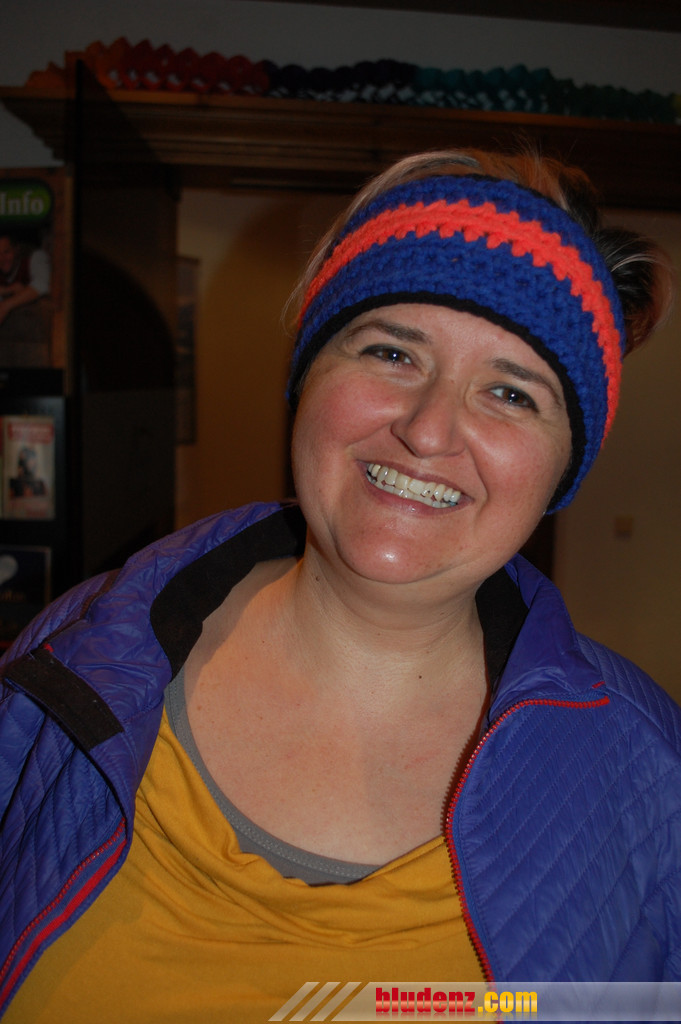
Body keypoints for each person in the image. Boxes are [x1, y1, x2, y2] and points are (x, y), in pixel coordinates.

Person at [0, 146, 679, 1022]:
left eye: (512, 394)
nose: (428, 431)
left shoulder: (644, 770)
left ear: (560, 470)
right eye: (392, 352)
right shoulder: (72, 655)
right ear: (307, 376)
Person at [0, 232, 52, 367]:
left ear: (16, 250)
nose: (2, 258)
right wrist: (9, 290)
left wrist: (5, 306)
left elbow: (43, 284)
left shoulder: (35, 258)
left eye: (6, 252)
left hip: (39, 352)